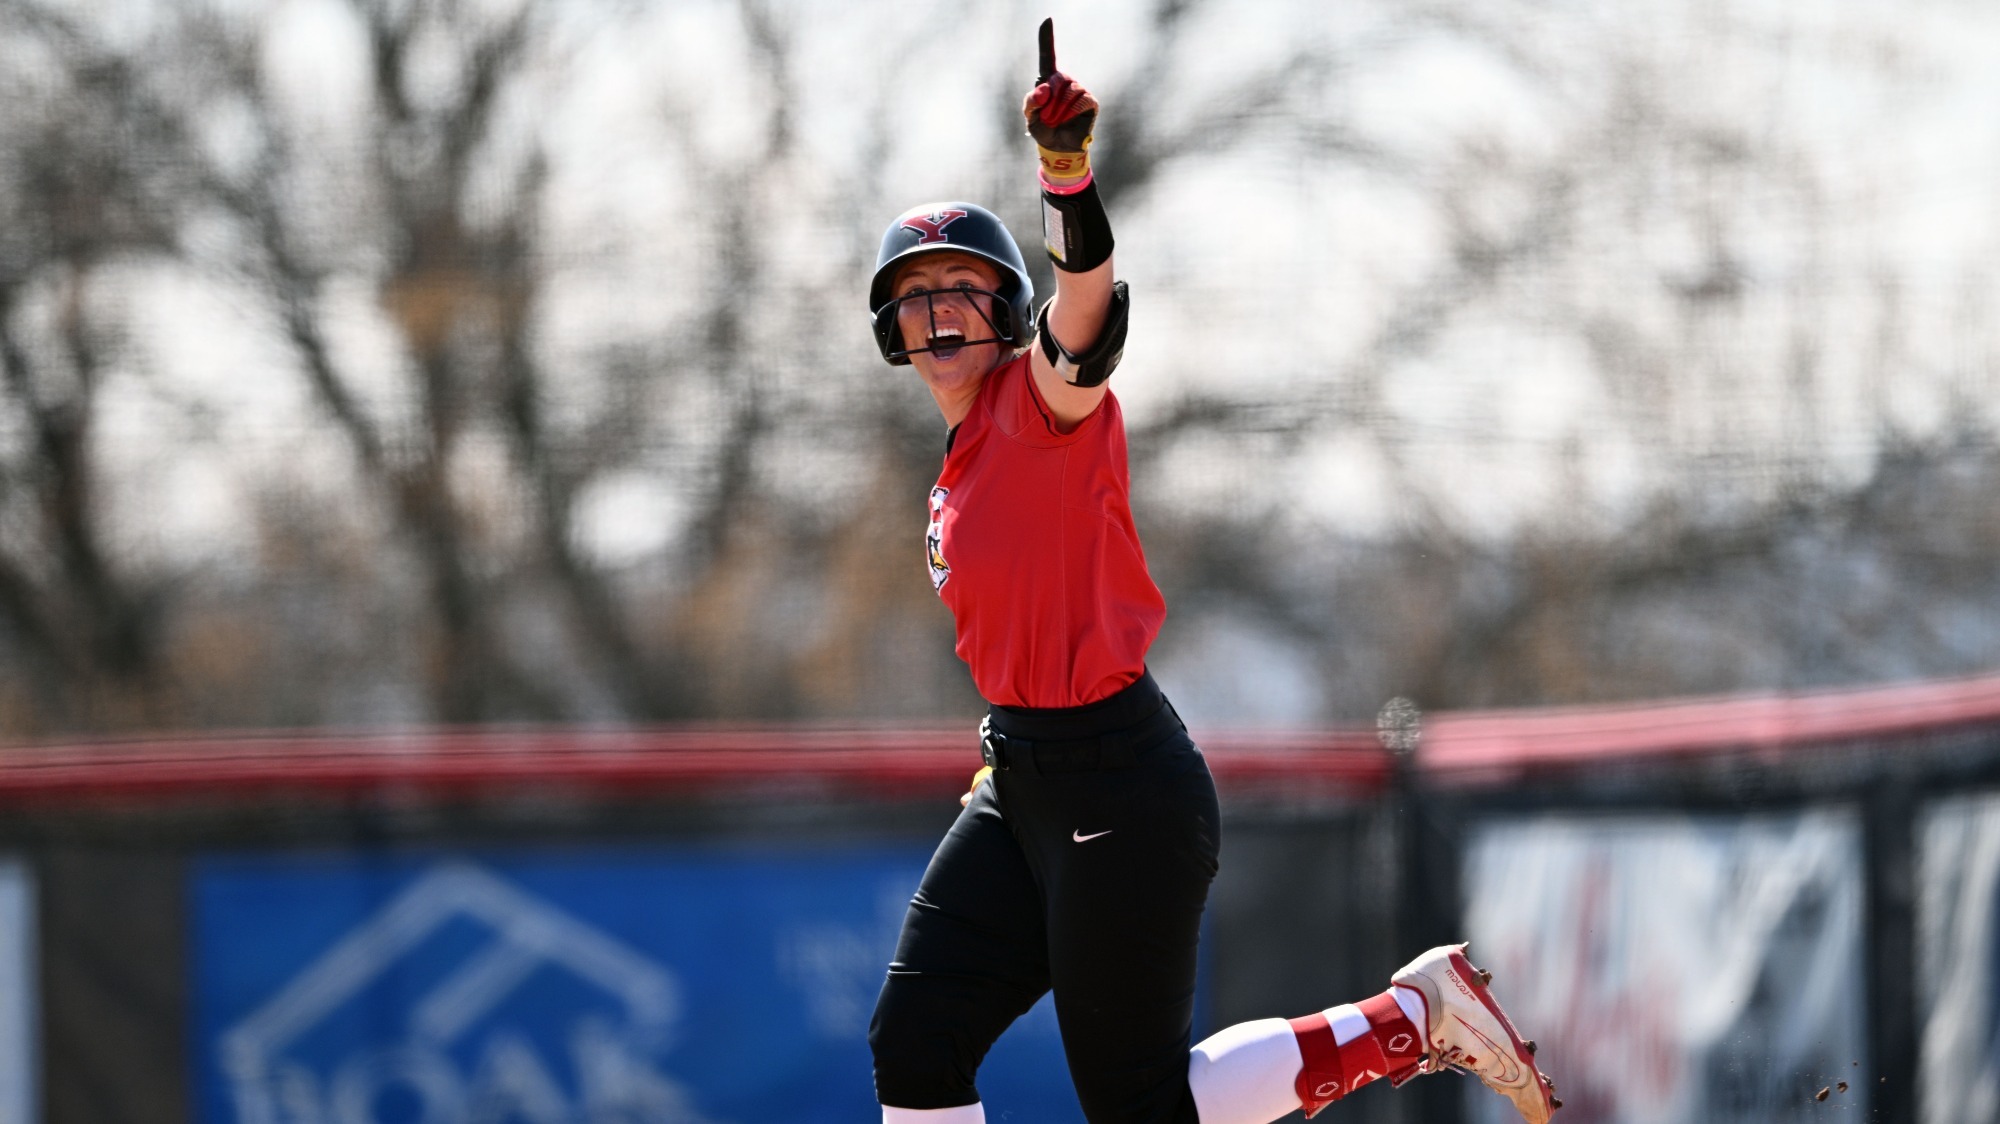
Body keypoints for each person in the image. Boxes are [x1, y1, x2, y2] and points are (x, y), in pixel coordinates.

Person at [863, 21, 1561, 1124]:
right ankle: (1409, 1017)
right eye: (915, 294)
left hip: (1118, 783)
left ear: (1003, 311)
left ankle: (1411, 1019)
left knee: (1139, 1104)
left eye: (963, 287)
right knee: (913, 1044)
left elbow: (1085, 300)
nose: (939, 310)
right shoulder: (954, 459)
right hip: (1022, 779)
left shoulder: (1039, 406)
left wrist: (1064, 177)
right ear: (890, 329)